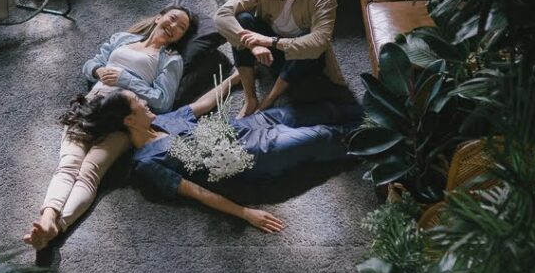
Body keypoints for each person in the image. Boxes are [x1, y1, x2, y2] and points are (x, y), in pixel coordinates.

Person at [73, 77, 363, 232]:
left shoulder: (162, 119)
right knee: (323, 135)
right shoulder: (147, 163)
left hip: (251, 124)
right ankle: (386, 134)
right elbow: (196, 192)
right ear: (128, 120)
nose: (145, 101)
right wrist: (245, 213)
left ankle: (380, 109)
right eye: (138, 102)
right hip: (256, 152)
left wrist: (235, 79)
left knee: (320, 110)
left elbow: (202, 104)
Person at [23, 5, 195, 249]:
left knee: (90, 171)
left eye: (182, 28)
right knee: (69, 163)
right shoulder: (123, 39)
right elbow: (90, 64)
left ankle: (56, 227)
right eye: (173, 19)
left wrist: (126, 79)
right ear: (159, 17)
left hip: (126, 119)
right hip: (93, 106)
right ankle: (48, 218)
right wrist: (98, 70)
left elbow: (163, 102)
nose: (174, 27)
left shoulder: (171, 59)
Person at [214, 0, 345, 118]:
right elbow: (222, 15)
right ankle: (251, 99)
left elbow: (320, 42)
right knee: (243, 20)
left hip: (302, 59)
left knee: (308, 42)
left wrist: (270, 41)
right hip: (267, 52)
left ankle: (269, 99)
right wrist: (254, 44)